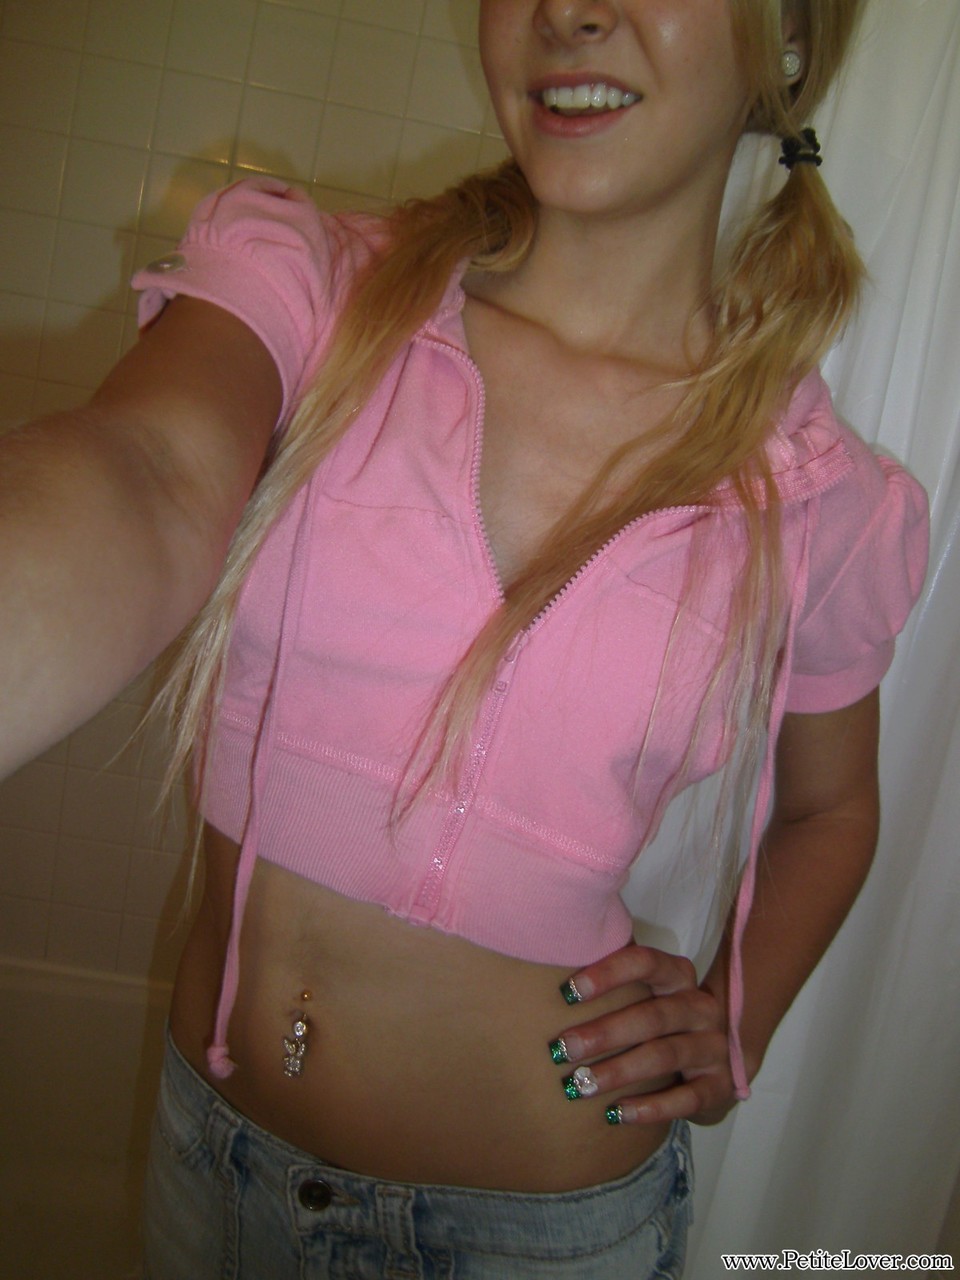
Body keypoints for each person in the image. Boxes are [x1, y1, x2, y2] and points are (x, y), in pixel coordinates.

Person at [0, 1, 929, 1276]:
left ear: (787, 40)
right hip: (211, 1164)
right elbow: (148, 468)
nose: (568, 10)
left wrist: (736, 1019)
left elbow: (833, 808)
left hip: (535, 1235)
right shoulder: (319, 288)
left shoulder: (819, 495)